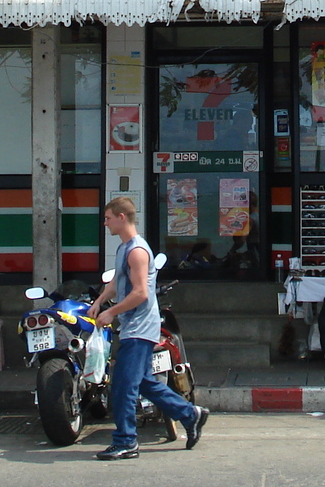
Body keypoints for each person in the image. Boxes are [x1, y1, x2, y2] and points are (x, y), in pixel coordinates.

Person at [88, 196, 206, 460]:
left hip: (140, 327)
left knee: (122, 386)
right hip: (131, 325)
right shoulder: (123, 249)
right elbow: (117, 282)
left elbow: (141, 293)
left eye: (108, 218)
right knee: (142, 382)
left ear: (121, 217)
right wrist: (99, 301)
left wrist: (110, 312)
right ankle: (191, 415)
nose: (104, 223)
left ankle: (126, 441)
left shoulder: (137, 251)